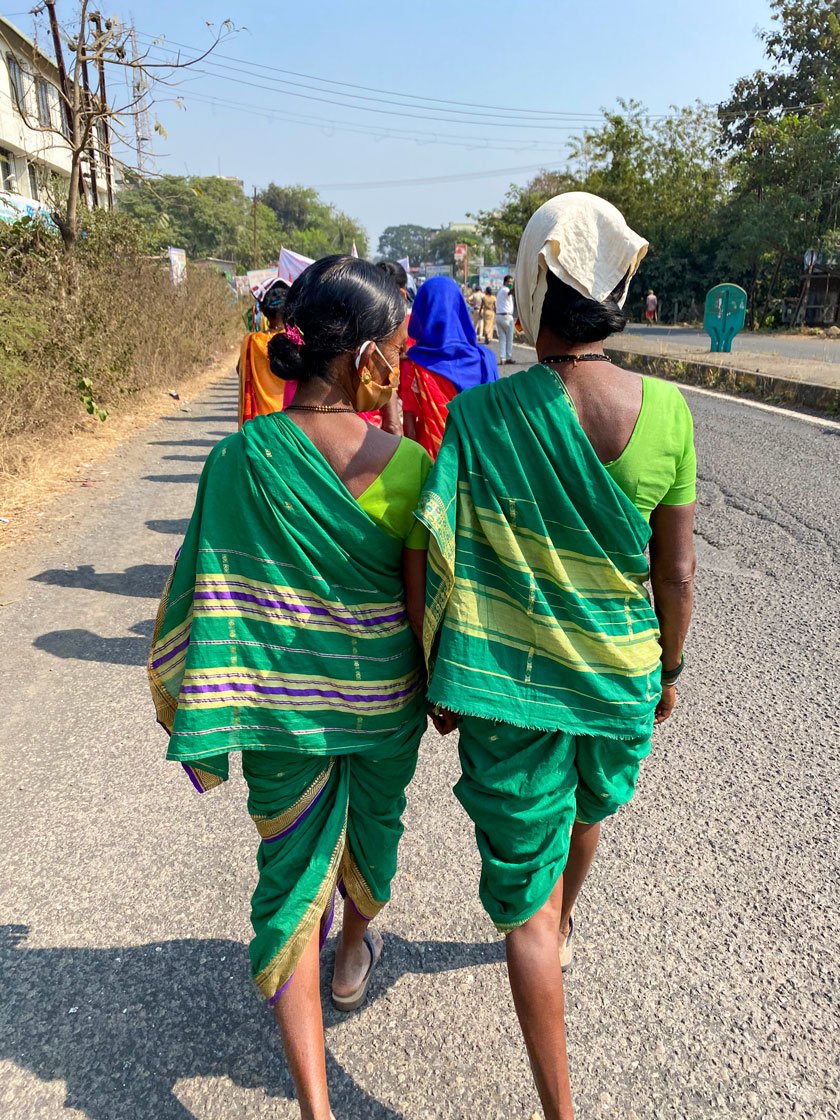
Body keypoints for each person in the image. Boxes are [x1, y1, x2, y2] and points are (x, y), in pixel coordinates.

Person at [417, 192, 697, 1120]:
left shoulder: (482, 417)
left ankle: (560, 1108)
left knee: (524, 913)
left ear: (533, 287)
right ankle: (566, 918)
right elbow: (679, 573)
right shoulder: (667, 415)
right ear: (620, 285)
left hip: (510, 690)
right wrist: (669, 672)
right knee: (588, 808)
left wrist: (439, 672)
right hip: (619, 677)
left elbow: (446, 553)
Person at [149, 256, 431, 1120]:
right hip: (382, 711)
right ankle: (356, 950)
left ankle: (315, 1108)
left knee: (287, 888)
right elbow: (423, 620)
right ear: (363, 360)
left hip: (277, 720)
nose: (403, 358)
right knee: (372, 837)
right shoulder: (409, 466)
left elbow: (207, 591)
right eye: (394, 346)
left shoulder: (235, 460)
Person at [400, 276, 498, 460]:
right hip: (476, 461)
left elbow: (409, 428)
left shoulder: (412, 365)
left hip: (434, 466)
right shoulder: (486, 360)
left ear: (422, 311)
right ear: (459, 308)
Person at [237, 277, 293, 427]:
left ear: (263, 311)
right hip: (290, 418)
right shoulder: (295, 340)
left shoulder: (251, 342)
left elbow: (239, 370)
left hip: (260, 420)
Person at [495, 274, 515, 364]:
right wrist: (516, 287)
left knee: (502, 339)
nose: (511, 283)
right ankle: (508, 357)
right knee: (509, 338)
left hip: (499, 316)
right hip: (506, 317)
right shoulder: (505, 290)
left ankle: (502, 358)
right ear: (505, 282)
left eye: (512, 282)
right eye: (510, 282)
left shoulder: (500, 291)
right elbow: (510, 292)